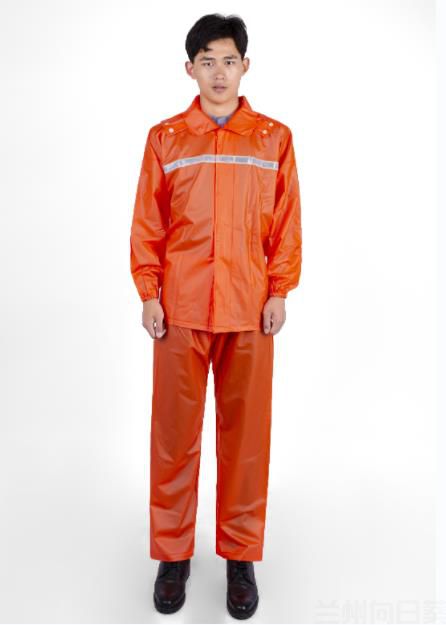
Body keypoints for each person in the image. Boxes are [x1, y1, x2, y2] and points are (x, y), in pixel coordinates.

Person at [129, 12, 302, 619]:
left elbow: (287, 222)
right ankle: (173, 554)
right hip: (179, 310)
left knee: (246, 442)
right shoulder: (167, 139)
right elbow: (148, 223)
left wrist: (279, 290)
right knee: (174, 440)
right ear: (190, 69)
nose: (219, 72)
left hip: (250, 311)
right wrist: (149, 293)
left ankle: (240, 557)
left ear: (245, 66)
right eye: (207, 61)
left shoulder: (273, 139)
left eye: (229, 61)